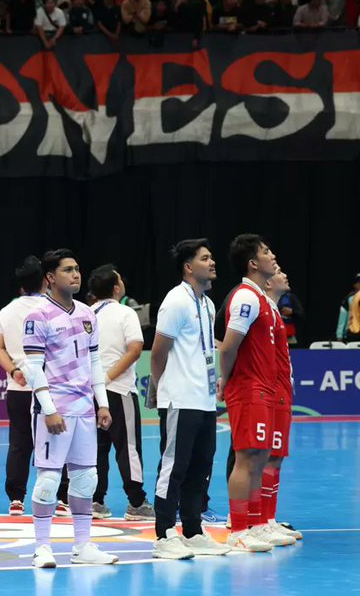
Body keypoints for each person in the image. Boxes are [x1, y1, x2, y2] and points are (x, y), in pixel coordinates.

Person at [22, 249, 117, 568]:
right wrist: (48, 408)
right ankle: (42, 547)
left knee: (86, 478)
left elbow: (93, 361)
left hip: (85, 410)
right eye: (68, 270)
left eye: (77, 269)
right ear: (50, 278)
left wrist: (101, 403)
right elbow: (34, 367)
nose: (76, 274)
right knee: (49, 480)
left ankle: (82, 545)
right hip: (55, 409)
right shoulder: (38, 315)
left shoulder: (88, 314)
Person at [149, 239, 229, 560]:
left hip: (205, 399)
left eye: (211, 257)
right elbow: (158, 351)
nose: (212, 263)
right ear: (188, 266)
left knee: (201, 466)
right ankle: (164, 532)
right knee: (174, 465)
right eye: (205, 258)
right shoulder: (176, 300)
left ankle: (193, 530)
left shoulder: (208, 304)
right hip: (180, 398)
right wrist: (158, 388)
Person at [220, 234, 294, 550]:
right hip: (248, 388)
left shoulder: (263, 300)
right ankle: (239, 529)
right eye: (266, 252)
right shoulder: (246, 298)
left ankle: (257, 523)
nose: (272, 255)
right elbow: (228, 347)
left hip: (265, 389)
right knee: (246, 458)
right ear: (253, 263)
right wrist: (224, 382)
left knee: (260, 456)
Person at [0, 257, 67, 516]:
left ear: (20, 285)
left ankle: (16, 498)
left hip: (18, 387)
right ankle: (58, 497)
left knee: (19, 443)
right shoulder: (54, 308)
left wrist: (13, 370)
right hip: (51, 387)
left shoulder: (7, 311)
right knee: (56, 442)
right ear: (47, 280)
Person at [87, 265, 152, 521]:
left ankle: (95, 500)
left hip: (89, 391)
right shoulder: (126, 312)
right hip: (118, 389)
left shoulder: (85, 313)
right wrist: (108, 378)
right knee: (129, 447)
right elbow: (135, 349)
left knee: (96, 448)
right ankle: (137, 502)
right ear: (116, 287)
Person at [262, 269, 302, 541]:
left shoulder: (275, 311)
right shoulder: (258, 307)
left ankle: (268, 518)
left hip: (282, 390)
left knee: (276, 456)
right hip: (268, 392)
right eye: (277, 271)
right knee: (262, 457)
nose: (285, 274)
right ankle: (255, 521)